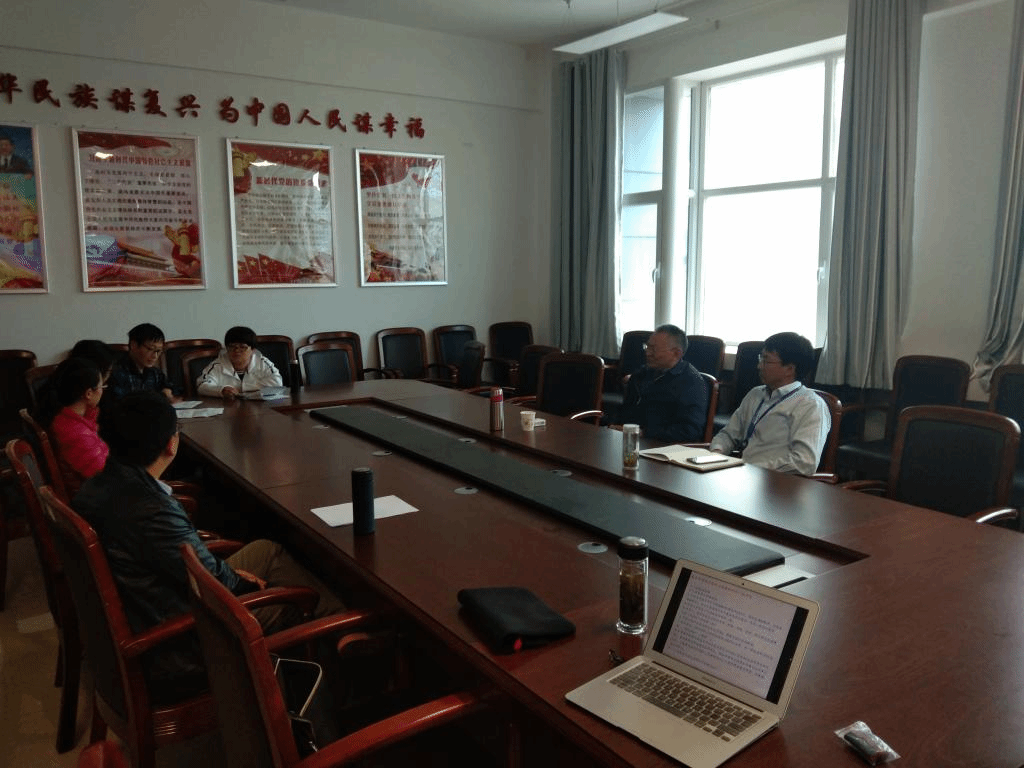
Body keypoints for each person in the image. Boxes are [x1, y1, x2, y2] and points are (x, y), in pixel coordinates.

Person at [73, 391, 347, 687]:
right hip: (183, 639)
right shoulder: (152, 510)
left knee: (267, 551)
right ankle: (340, 656)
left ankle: (343, 623)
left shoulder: (97, 486)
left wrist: (231, 576)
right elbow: (211, 581)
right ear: (171, 444)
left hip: (156, 599)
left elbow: (194, 566)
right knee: (296, 602)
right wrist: (244, 584)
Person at [709, 332, 830, 476]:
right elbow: (729, 434)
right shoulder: (755, 394)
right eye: (760, 358)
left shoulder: (810, 405)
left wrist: (749, 468)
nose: (759, 366)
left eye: (766, 361)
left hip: (776, 483)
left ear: (790, 369)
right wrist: (716, 454)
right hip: (742, 475)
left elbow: (804, 462)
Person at [611, 324, 708, 443]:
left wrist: (644, 433)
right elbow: (625, 412)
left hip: (662, 445)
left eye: (653, 349)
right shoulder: (641, 375)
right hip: (628, 440)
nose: (647, 353)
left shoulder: (692, 382)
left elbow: (690, 431)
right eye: (647, 347)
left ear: (676, 353)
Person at [42, 357, 109, 496]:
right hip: (93, 498)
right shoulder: (75, 433)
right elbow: (105, 478)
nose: (103, 391)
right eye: (102, 386)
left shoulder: (66, 418)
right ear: (88, 393)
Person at [196, 325, 282, 399]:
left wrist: (244, 387)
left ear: (253, 350)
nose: (236, 351)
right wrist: (222, 390)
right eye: (232, 346)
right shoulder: (218, 365)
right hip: (228, 408)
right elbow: (202, 385)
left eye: (243, 347)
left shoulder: (262, 363)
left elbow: (277, 383)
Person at [107, 323, 175, 400]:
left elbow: (172, 387)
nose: (155, 356)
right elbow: (121, 401)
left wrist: (168, 390)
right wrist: (160, 396)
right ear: (134, 345)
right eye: (150, 349)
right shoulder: (117, 372)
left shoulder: (154, 372)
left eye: (158, 351)